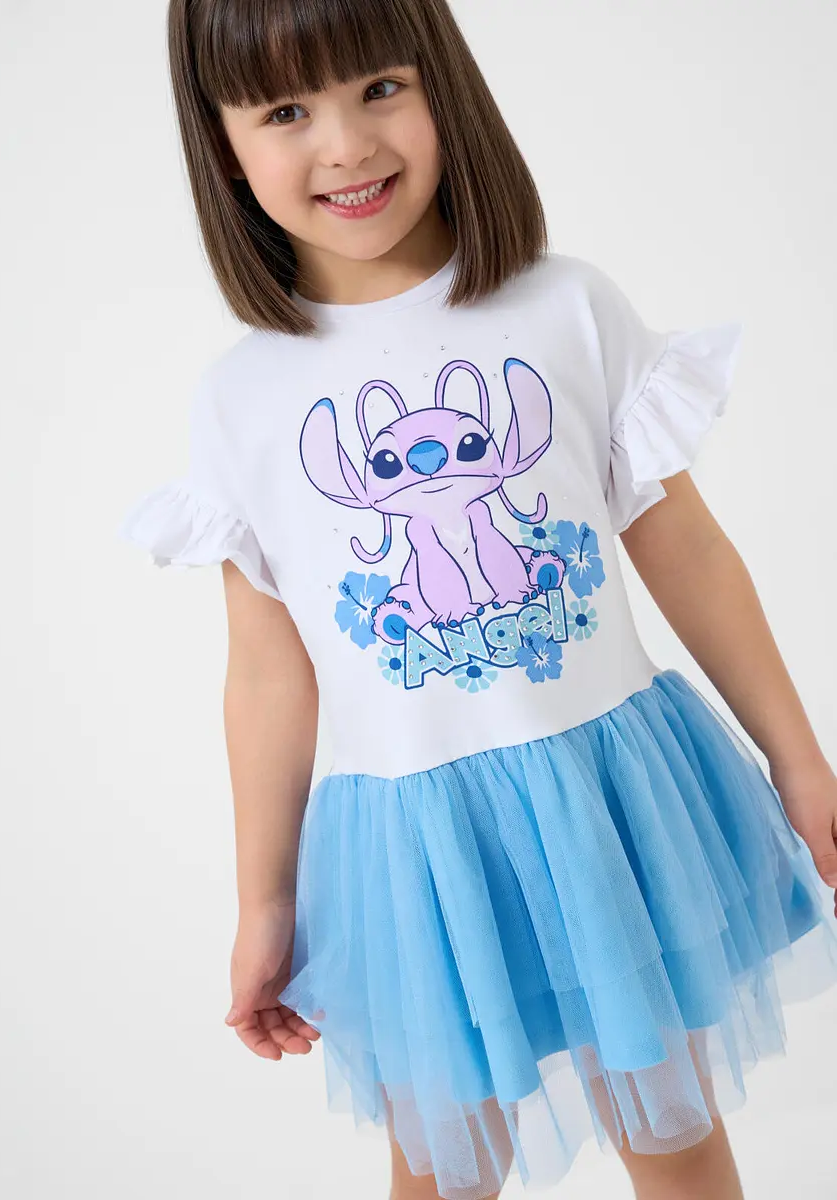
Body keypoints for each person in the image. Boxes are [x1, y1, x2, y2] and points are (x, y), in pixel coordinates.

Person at [118, 2, 837, 1197]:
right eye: (286, 111)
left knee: (672, 1133)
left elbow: (689, 552)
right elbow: (267, 669)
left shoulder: (565, 307)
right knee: (445, 1165)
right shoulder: (243, 398)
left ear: (441, 84)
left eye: (379, 87)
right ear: (224, 146)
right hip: (419, 853)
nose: (346, 145)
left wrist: (798, 757)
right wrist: (265, 900)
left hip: (611, 806)